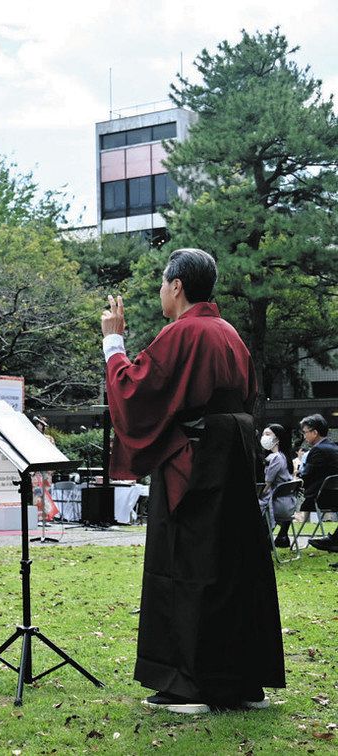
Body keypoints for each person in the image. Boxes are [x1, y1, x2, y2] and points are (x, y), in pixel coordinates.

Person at [102, 248, 283, 713]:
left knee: (185, 565)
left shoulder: (182, 333)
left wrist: (113, 345)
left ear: (177, 285)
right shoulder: (228, 334)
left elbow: (135, 391)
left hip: (194, 463)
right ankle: (243, 682)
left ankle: (186, 687)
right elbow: (247, 395)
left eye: (163, 283)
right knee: (233, 566)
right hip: (235, 459)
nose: (162, 292)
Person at [299, 414, 338, 552]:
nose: (304, 436)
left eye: (305, 432)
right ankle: (334, 540)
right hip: (332, 494)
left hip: (320, 497)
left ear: (315, 432)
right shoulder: (333, 447)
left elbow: (306, 476)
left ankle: (334, 541)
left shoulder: (317, 450)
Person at [260, 424, 297, 547]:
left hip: (276, 504)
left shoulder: (276, 458)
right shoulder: (284, 457)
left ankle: (263, 540)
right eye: (263, 434)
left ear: (278, 438)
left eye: (268, 434)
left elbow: (267, 484)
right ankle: (278, 536)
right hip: (288, 504)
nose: (264, 437)